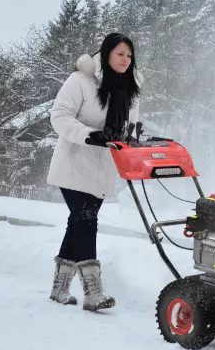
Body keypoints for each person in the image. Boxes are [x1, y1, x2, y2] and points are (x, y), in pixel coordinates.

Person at [46, 33, 143, 311]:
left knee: (79, 221)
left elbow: (129, 126)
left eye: (129, 55)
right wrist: (90, 135)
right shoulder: (81, 80)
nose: (125, 60)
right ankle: (93, 292)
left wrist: (135, 137)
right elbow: (60, 116)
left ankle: (59, 289)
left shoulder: (130, 89)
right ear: (106, 54)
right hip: (74, 162)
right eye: (120, 54)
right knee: (85, 218)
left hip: (103, 167)